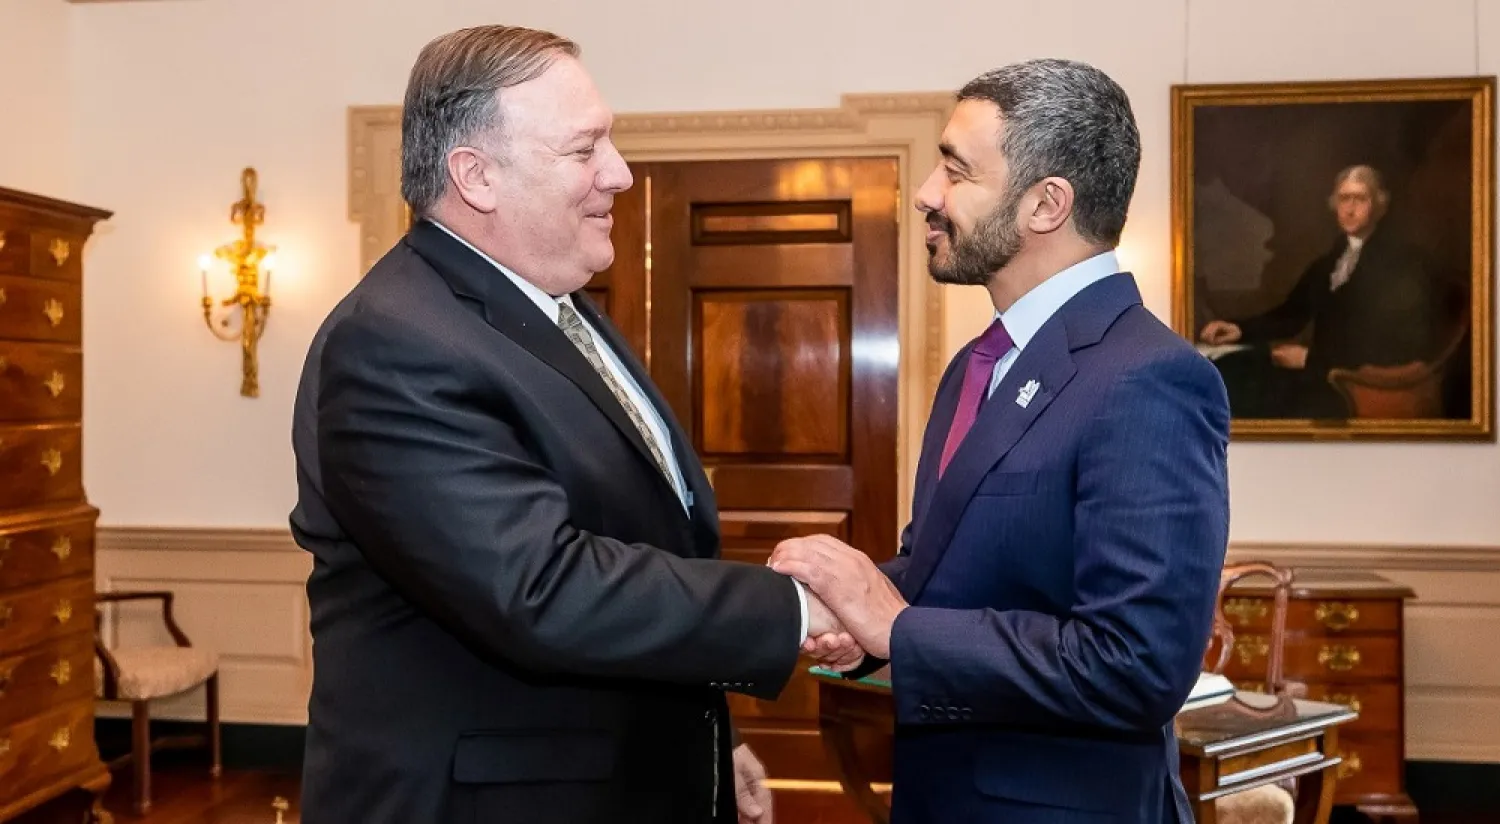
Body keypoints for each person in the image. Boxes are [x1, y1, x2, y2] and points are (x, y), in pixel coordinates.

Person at [289, 25, 858, 824]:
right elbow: (539, 588)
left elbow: (647, 549)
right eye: (584, 149)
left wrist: (712, 747)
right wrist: (798, 607)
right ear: (477, 176)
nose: (619, 173)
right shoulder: (395, 341)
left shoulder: (559, 312)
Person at [770, 59, 1231, 823]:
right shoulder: (976, 367)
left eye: (956, 169)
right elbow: (944, 569)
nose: (926, 192)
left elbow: (1136, 665)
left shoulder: (1149, 378)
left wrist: (897, 626)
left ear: (1046, 204)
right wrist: (861, 624)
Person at [1199, 164, 1440, 418]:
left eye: (1360, 198)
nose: (1350, 208)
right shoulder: (1329, 262)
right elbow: (1292, 314)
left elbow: (1397, 341)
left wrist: (1314, 359)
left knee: (1248, 391)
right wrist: (1240, 329)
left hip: (1348, 384)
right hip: (1319, 372)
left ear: (1379, 205)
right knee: (1228, 369)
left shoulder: (1402, 263)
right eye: (1344, 198)